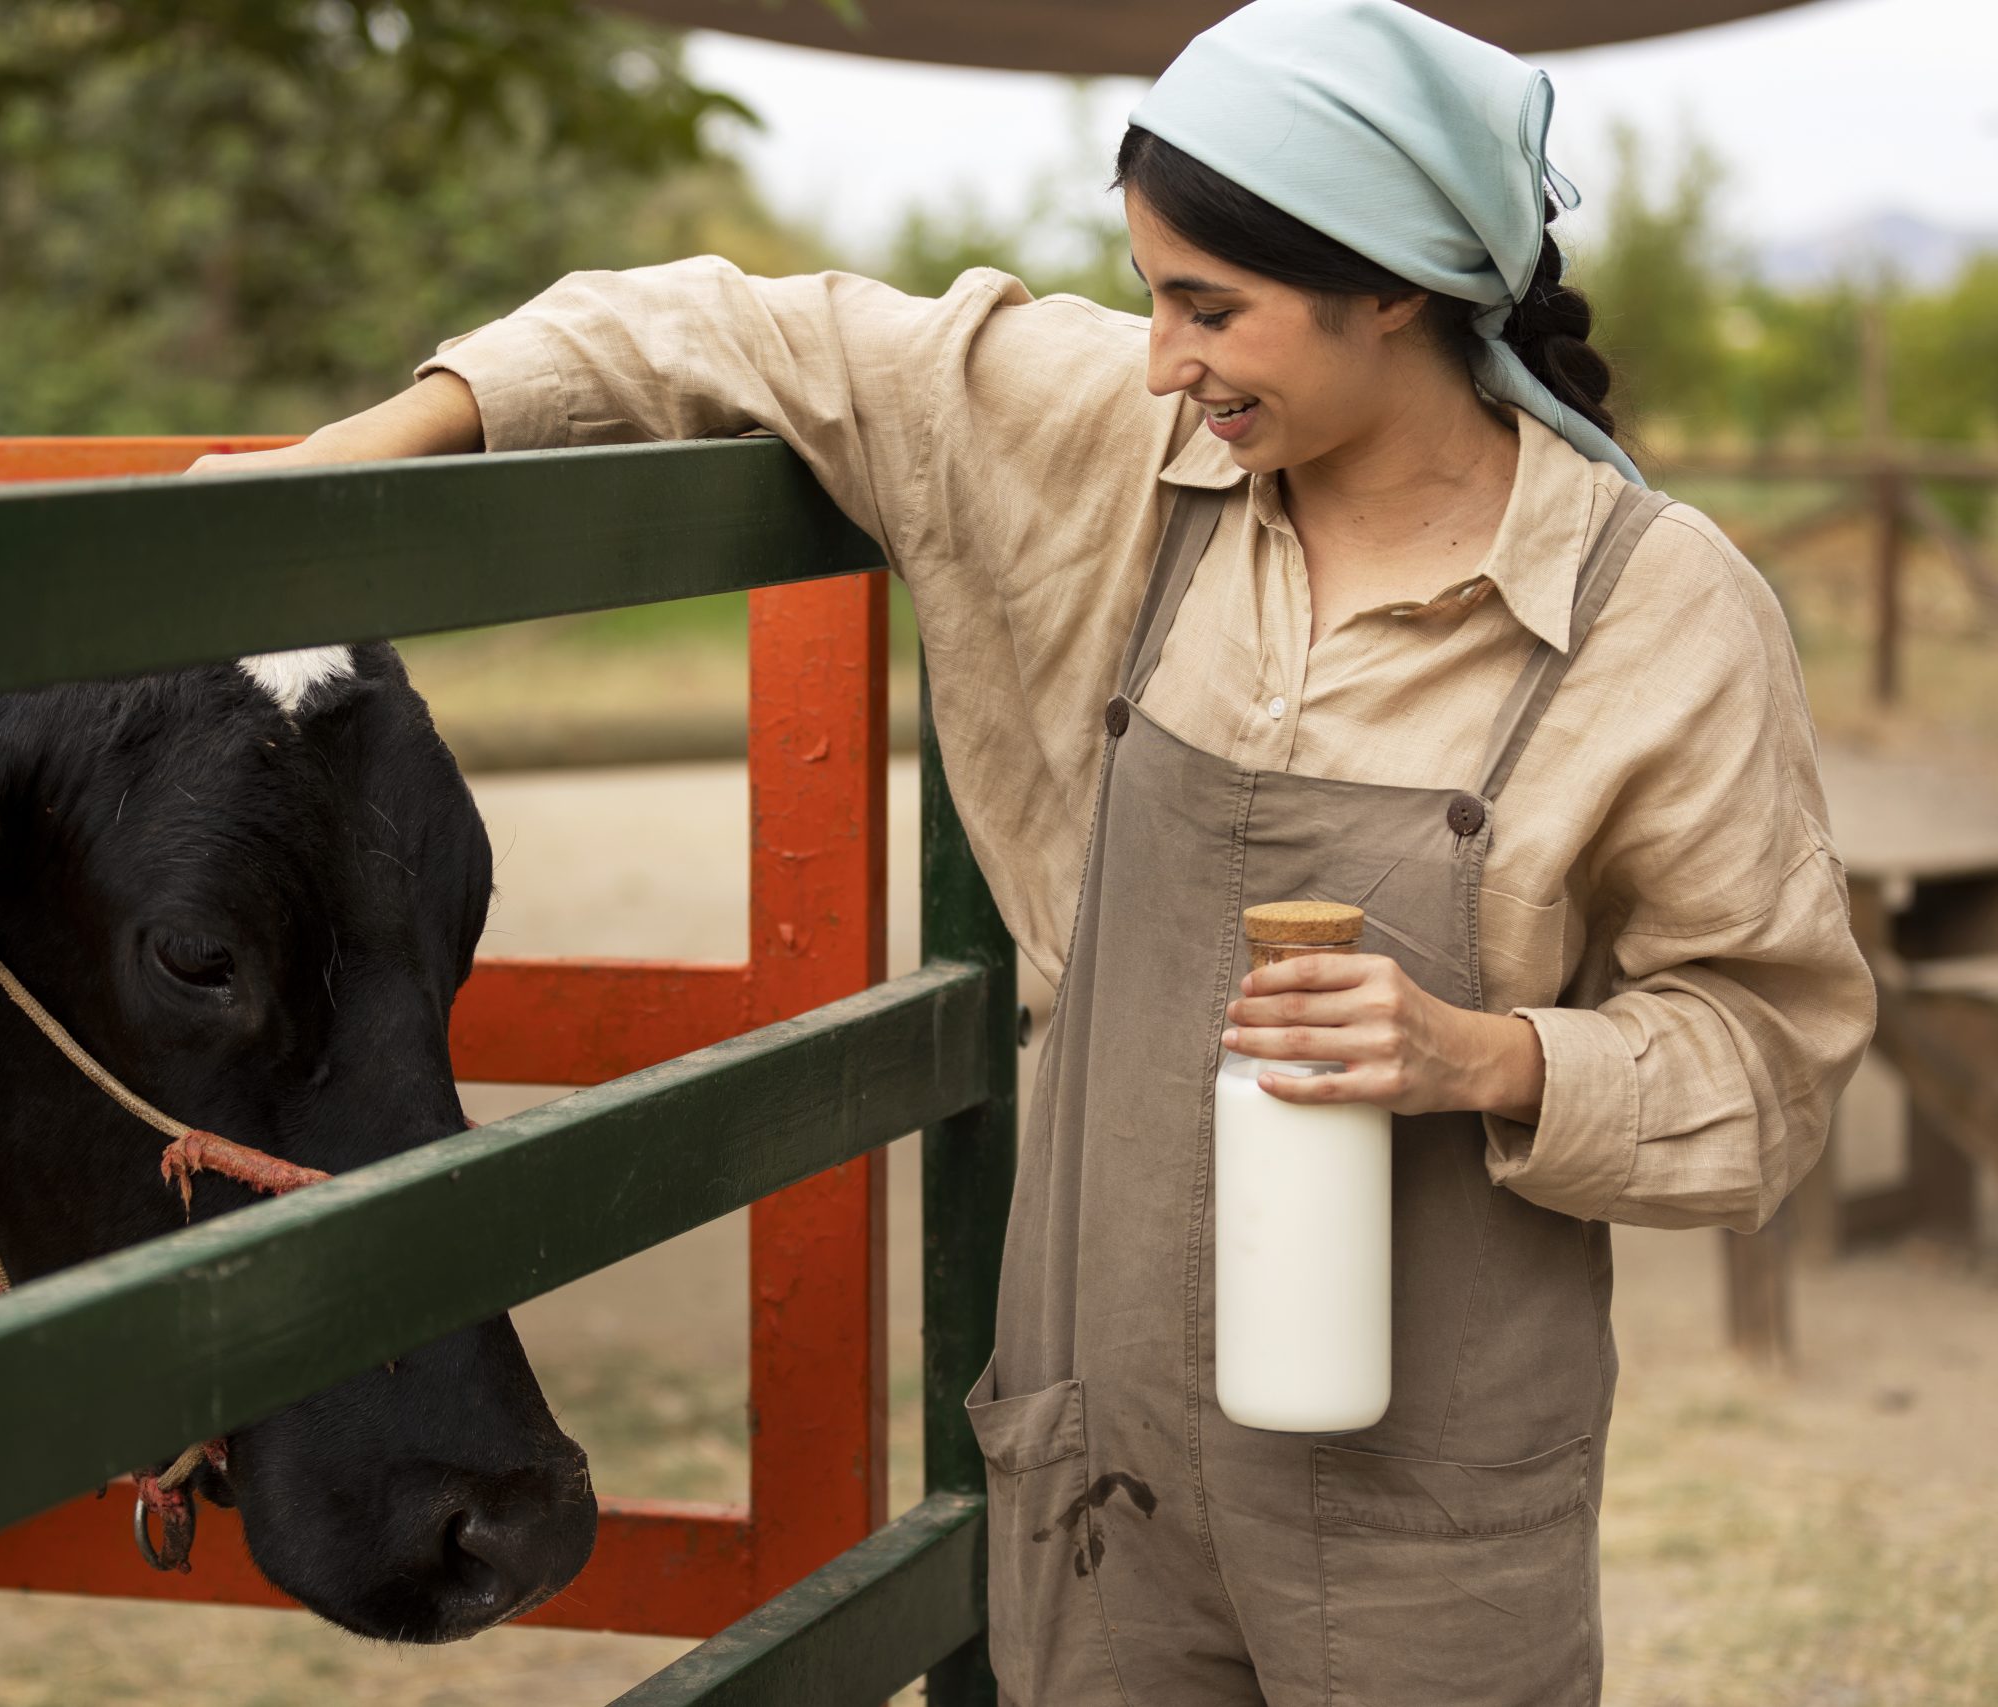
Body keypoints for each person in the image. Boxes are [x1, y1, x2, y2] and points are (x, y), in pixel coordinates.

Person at [191, 1, 1876, 1699]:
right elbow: (718, 327)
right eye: (1151, 296)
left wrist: (1489, 1056)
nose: (1163, 359)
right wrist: (331, 483)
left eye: (1212, 308)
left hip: (1432, 1514)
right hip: (1108, 1482)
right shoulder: (1106, 459)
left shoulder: (1662, 618)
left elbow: (1771, 1061)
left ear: (1397, 287)